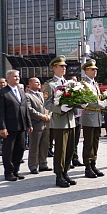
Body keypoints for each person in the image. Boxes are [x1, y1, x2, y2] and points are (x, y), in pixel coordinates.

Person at [43, 56, 77, 188]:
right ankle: (58, 175)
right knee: (60, 150)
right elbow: (47, 104)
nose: (64, 68)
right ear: (54, 68)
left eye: (65, 66)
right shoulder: (50, 85)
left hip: (71, 121)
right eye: (61, 66)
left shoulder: (69, 84)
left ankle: (66, 172)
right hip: (59, 121)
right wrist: (59, 108)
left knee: (70, 148)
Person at [0, 70, 33, 181]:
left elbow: (25, 109)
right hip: (9, 127)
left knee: (20, 148)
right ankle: (8, 172)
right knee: (8, 150)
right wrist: (2, 127)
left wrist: (29, 124)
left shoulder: (21, 92)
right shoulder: (2, 92)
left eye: (18, 76)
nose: (17, 78)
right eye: (15, 76)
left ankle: (16, 170)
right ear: (8, 78)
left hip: (21, 126)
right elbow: (0, 112)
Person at [80, 59, 107, 178]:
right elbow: (87, 100)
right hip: (89, 115)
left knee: (95, 142)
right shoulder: (83, 84)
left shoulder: (94, 83)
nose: (95, 71)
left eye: (96, 69)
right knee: (88, 143)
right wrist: (103, 104)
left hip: (96, 116)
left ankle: (93, 163)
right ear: (86, 71)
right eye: (92, 69)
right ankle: (87, 166)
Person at [25, 77, 52, 174]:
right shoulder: (27, 95)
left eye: (39, 82)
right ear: (30, 84)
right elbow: (29, 109)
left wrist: (48, 115)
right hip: (36, 124)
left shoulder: (42, 94)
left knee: (45, 145)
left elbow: (48, 106)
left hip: (46, 124)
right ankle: (33, 165)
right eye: (36, 82)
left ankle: (43, 164)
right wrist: (41, 116)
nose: (38, 84)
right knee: (34, 146)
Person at [68, 75, 83, 168]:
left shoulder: (78, 91)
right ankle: (68, 161)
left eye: (76, 80)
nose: (75, 82)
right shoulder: (67, 92)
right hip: (70, 118)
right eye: (72, 80)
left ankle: (75, 158)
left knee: (76, 141)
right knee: (69, 141)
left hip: (78, 117)